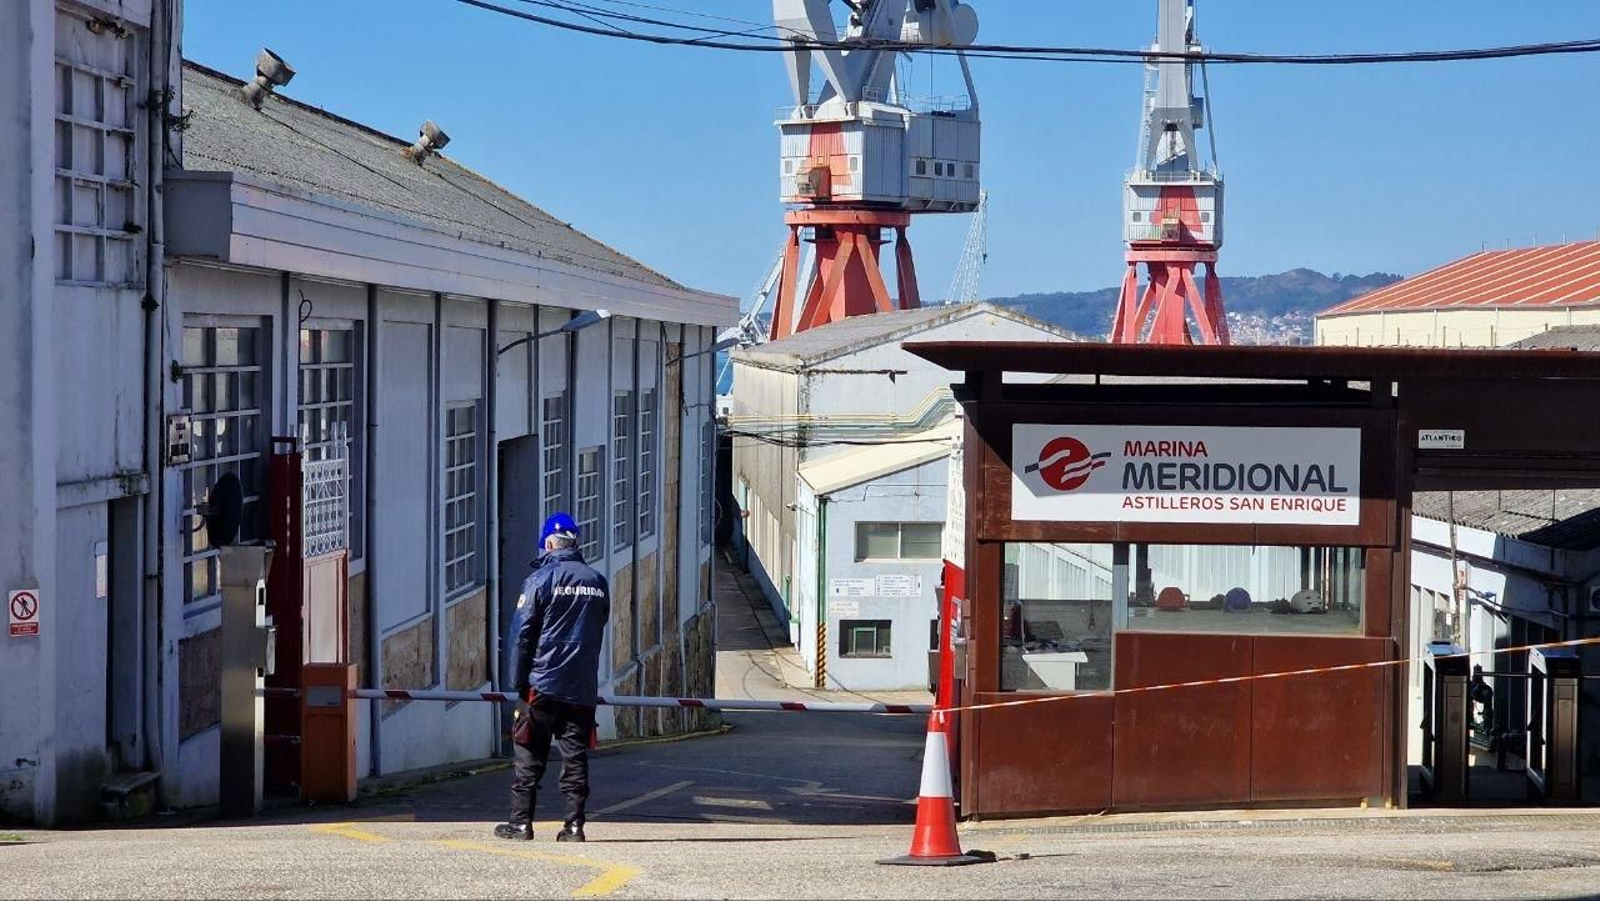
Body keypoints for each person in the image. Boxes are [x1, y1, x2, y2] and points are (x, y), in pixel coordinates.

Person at [494, 513, 611, 842]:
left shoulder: (540, 580)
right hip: (581, 687)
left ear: (548, 544)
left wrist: (518, 682)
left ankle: (521, 823)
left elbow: (521, 636)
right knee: (575, 756)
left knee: (528, 752)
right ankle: (574, 826)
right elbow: (599, 625)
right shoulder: (598, 582)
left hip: (542, 685)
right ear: (575, 543)